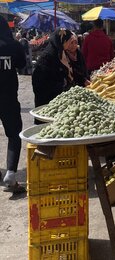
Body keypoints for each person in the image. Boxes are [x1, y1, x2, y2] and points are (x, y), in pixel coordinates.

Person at [0, 15, 26, 194]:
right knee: (14, 135)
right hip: (8, 97)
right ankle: (10, 174)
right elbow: (22, 64)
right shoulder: (12, 45)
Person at [32, 28, 89, 110]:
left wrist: (82, 80)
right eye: (68, 41)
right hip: (49, 102)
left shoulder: (61, 53)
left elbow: (70, 70)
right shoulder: (47, 57)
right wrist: (63, 86)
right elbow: (41, 83)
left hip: (62, 100)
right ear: (61, 41)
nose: (70, 44)